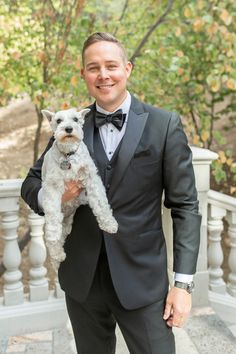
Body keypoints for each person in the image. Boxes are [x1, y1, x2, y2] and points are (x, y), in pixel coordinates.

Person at [21, 32, 201, 354]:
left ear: (127, 68)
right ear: (83, 75)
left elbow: (186, 206)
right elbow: (30, 184)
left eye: (111, 66)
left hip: (142, 282)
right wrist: (56, 200)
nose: (103, 75)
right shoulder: (68, 125)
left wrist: (183, 285)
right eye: (93, 68)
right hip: (82, 281)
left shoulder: (164, 125)